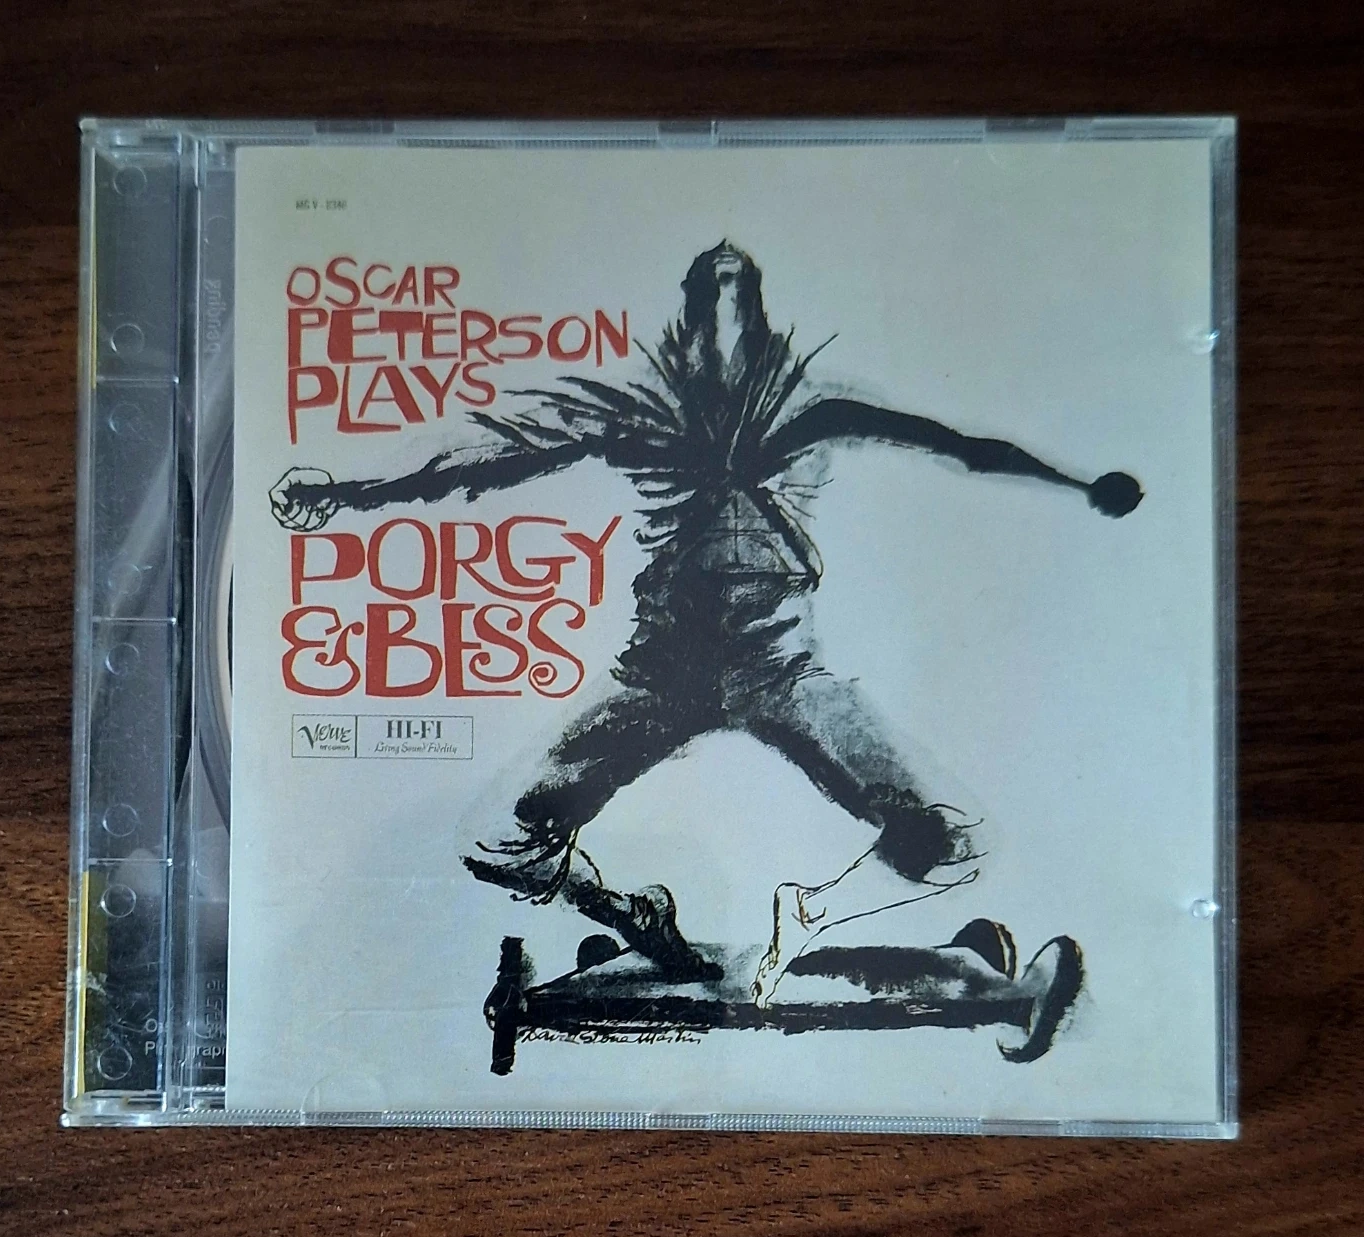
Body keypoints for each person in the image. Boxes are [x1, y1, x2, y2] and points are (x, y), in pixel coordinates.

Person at [271, 242, 1142, 998]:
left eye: (736, 303)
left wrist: (1075, 483)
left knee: (952, 836)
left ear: (758, 322)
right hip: (664, 675)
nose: (723, 334)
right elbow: (499, 446)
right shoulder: (642, 405)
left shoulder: (813, 403)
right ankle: (635, 917)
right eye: (711, 304)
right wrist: (347, 493)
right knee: (496, 838)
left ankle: (814, 914)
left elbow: (958, 445)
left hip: (782, 673)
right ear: (689, 326)